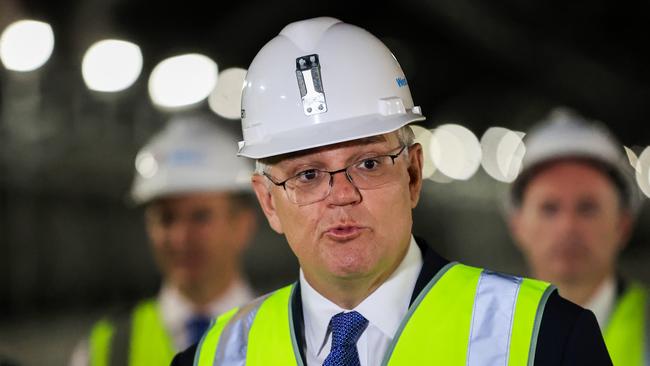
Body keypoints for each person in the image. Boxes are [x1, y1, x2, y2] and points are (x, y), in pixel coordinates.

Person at [173, 17, 611, 365]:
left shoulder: (546, 340)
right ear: (268, 201)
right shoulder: (214, 357)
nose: (341, 195)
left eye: (367, 164)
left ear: (413, 174)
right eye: (307, 175)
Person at [70, 114, 258, 366]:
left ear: (243, 225)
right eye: (166, 218)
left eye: (200, 217)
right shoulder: (105, 349)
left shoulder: (293, 336)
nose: (181, 239)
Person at [507, 108, 647, 365]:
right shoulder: (477, 333)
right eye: (549, 208)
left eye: (588, 208)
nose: (567, 226)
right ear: (518, 226)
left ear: (623, 225)